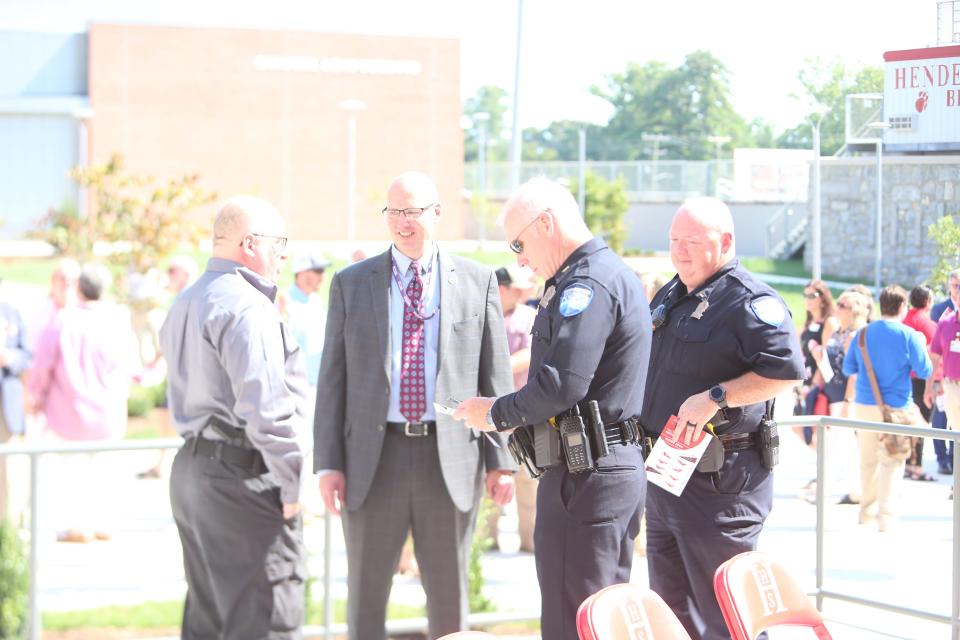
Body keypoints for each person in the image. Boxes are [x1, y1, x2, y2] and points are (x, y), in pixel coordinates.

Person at [314, 171, 516, 640]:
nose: (404, 222)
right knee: (366, 595)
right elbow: (333, 380)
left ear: (437, 214)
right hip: (372, 460)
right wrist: (328, 463)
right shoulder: (351, 283)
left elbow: (495, 376)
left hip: (449, 457)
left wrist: (500, 459)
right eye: (395, 212)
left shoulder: (476, 280)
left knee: (448, 596)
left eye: (414, 211)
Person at [455, 177, 650, 640]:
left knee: (576, 618)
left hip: (589, 473)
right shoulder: (589, 277)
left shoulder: (587, 284)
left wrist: (496, 413)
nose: (519, 258)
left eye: (519, 242)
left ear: (546, 223)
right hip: (593, 468)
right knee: (591, 614)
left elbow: (562, 383)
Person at [638, 197, 804, 640]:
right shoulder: (673, 292)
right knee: (671, 613)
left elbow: (785, 370)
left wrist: (717, 396)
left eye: (692, 241)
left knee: (727, 616)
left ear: (726, 241)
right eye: (674, 240)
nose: (680, 251)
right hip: (667, 476)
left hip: (720, 486)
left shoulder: (749, 300)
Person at [159, 195, 310, 639]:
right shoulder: (246, 305)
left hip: (196, 470)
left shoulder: (189, 298)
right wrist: (293, 480)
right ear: (250, 243)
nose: (284, 254)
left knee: (211, 619)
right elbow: (267, 408)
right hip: (242, 473)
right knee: (265, 618)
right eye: (279, 242)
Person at [28, 263, 133, 541]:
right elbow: (128, 368)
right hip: (108, 412)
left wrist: (35, 396)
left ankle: (77, 526)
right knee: (102, 469)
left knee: (70, 471)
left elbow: (42, 366)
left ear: (79, 288)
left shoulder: (62, 323)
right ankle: (101, 522)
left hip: (69, 410)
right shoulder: (117, 322)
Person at [844, 285, 932, 532]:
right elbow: (924, 370)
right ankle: (886, 517)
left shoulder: (862, 334)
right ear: (903, 306)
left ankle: (866, 512)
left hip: (863, 404)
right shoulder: (909, 335)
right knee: (892, 461)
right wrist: (922, 345)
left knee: (867, 460)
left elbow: (848, 369)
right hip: (896, 407)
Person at [484, 264, 538, 553]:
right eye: (515, 288)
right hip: (489, 414)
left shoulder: (529, 317)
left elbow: (532, 354)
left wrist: (497, 366)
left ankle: (529, 542)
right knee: (490, 475)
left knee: (528, 479)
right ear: (502, 288)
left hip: (522, 412)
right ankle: (486, 540)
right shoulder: (483, 316)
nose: (521, 293)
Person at [135, 254, 200, 480]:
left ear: (185, 274)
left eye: (173, 270)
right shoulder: (184, 298)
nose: (168, 275)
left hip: (187, 372)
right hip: (181, 370)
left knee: (175, 416)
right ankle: (163, 463)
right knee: (167, 414)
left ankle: (170, 464)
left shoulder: (188, 298)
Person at [0, 283, 30, 523]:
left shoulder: (10, 311)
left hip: (5, 403)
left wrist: (10, 358)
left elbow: (26, 355)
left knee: (8, 470)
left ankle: (7, 528)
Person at [902, 285, 936, 481]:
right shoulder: (928, 324)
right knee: (921, 423)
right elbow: (934, 356)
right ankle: (916, 466)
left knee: (906, 422)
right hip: (921, 380)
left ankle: (907, 462)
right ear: (929, 302)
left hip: (903, 379)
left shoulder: (904, 319)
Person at [282, 252, 330, 387]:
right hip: (295, 387)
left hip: (317, 385)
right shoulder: (284, 302)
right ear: (302, 273)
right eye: (318, 271)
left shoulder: (316, 301)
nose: (323, 276)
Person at [929, 268, 960, 474]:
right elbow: (935, 354)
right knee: (952, 431)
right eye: (955, 285)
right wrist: (932, 384)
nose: (957, 290)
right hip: (950, 384)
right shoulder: (944, 317)